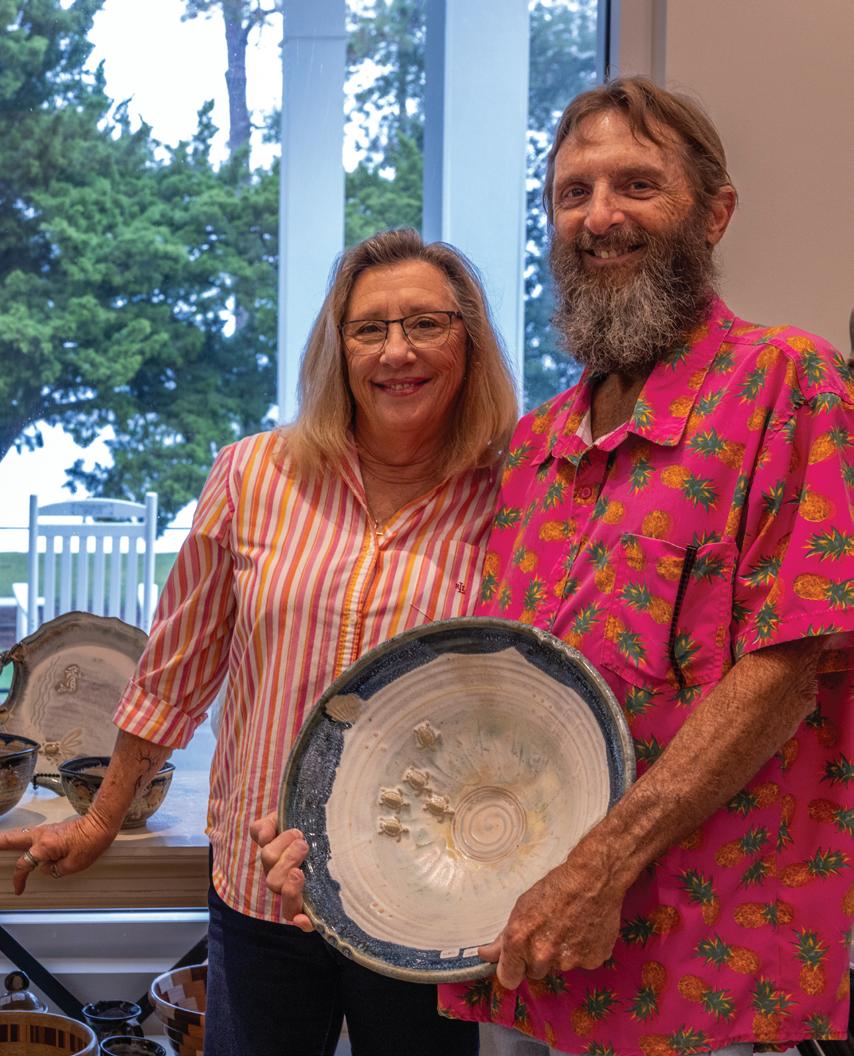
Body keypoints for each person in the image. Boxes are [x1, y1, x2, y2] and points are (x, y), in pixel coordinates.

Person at [261, 77, 853, 1056]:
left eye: (636, 185)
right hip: (529, 969)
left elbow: (786, 667)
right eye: (572, 193)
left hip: (708, 985)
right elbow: (486, 712)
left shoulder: (784, 385)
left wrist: (597, 869)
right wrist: (344, 855)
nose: (599, 216)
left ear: (713, 213)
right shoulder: (536, 449)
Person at [0, 227, 518, 1056]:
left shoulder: (516, 496)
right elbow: (175, 672)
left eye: (427, 323)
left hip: (428, 897)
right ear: (337, 349)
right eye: (369, 328)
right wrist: (98, 819)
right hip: (262, 882)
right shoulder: (254, 475)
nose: (397, 352)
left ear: (471, 341)